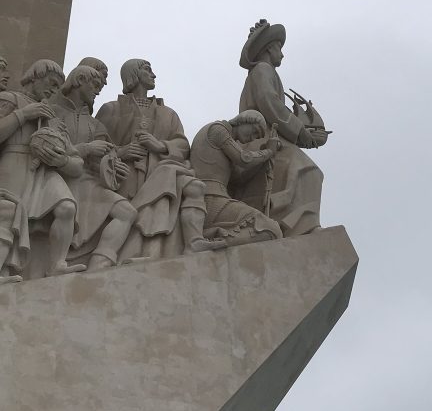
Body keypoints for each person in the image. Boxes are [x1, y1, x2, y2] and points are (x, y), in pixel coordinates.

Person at [96, 59, 216, 260]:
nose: (153, 75)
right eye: (147, 70)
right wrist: (121, 151)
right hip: (126, 175)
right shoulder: (111, 109)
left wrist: (160, 146)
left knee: (193, 187)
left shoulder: (168, 114)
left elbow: (183, 145)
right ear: (133, 75)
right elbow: (95, 145)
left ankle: (192, 241)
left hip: (161, 171)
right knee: (134, 212)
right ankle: (124, 255)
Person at [235, 20, 327, 236]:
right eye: (279, 49)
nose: (282, 55)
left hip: (272, 136)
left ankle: (295, 223)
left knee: (307, 172)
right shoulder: (262, 69)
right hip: (263, 137)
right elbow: (270, 104)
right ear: (269, 49)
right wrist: (302, 133)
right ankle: (300, 227)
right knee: (308, 171)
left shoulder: (265, 71)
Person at [0, 59, 85, 280]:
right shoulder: (10, 99)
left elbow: (77, 163)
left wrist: (62, 161)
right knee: (8, 217)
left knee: (66, 207)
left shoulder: (52, 116)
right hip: (14, 164)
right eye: (51, 82)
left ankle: (57, 263)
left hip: (46, 170)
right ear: (35, 76)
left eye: (58, 87)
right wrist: (24, 114)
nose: (53, 90)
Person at [49, 65, 138, 270]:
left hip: (87, 181)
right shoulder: (53, 111)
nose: (98, 91)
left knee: (127, 212)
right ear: (80, 80)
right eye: (95, 85)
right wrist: (87, 148)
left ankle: (99, 264)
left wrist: (114, 165)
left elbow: (106, 153)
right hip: (59, 177)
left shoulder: (94, 124)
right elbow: (50, 149)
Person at [189, 111, 282, 245]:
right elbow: (243, 158)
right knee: (270, 228)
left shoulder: (226, 148)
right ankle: (216, 244)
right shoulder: (217, 130)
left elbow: (239, 178)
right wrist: (269, 152)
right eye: (255, 131)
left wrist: (262, 160)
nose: (253, 138)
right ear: (244, 121)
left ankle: (217, 242)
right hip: (210, 199)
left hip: (217, 199)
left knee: (271, 230)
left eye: (257, 137)